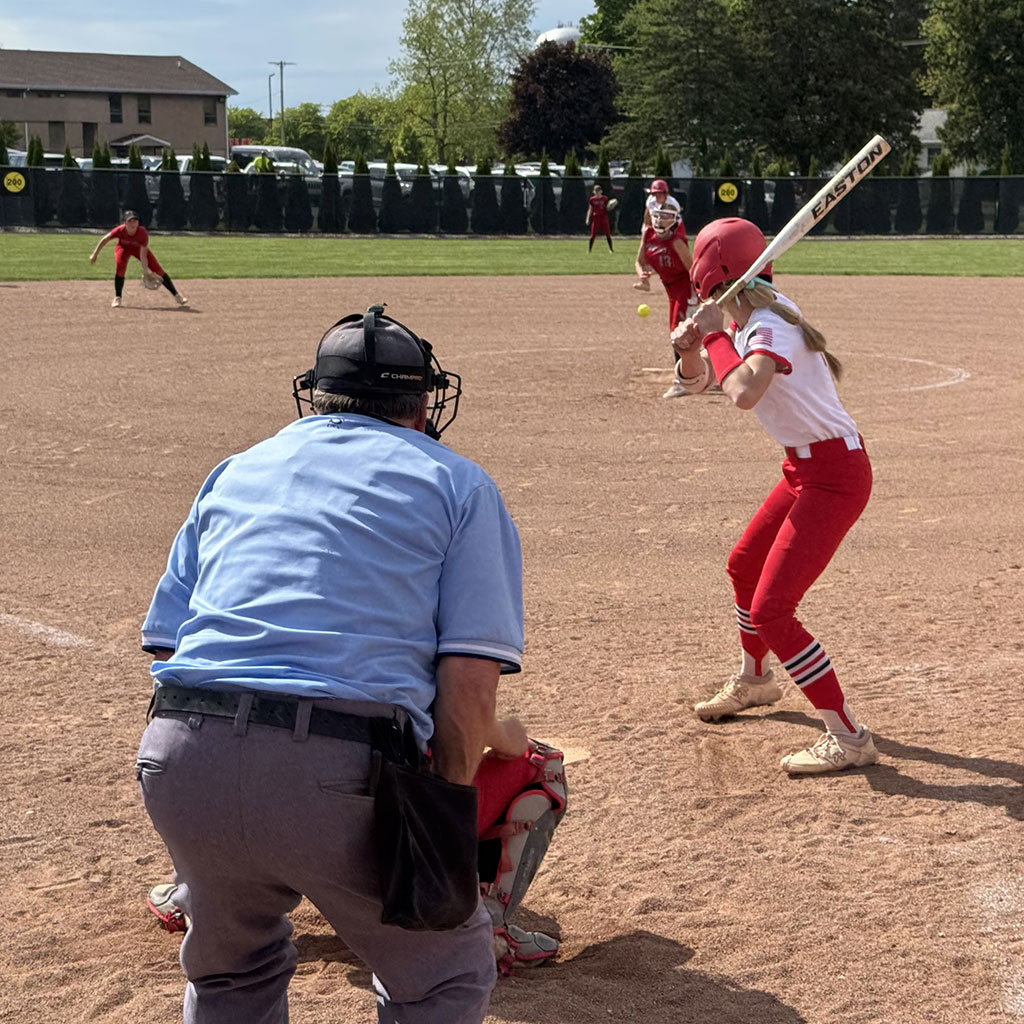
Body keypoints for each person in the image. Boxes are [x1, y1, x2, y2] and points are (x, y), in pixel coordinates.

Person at [135, 305, 562, 1023]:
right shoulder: (458, 483)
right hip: (338, 768)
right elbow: (469, 680)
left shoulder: (236, 469)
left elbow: (170, 644)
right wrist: (439, 823)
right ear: (424, 403)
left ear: (316, 395)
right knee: (442, 979)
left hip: (179, 757)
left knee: (231, 978)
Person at [672, 218, 878, 775]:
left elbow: (742, 392)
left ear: (712, 282)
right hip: (803, 469)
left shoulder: (768, 326)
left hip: (835, 475)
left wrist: (714, 333)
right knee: (743, 566)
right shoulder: (753, 314)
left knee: (772, 610)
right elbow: (698, 383)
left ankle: (848, 736)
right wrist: (692, 348)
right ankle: (757, 680)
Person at [145, 736, 568, 973]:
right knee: (541, 761)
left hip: (209, 780)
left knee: (224, 736)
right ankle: (488, 925)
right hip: (355, 810)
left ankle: (201, 892)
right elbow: (470, 709)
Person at [633, 201, 695, 398]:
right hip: (670, 289)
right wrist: (642, 274)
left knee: (679, 333)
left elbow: (692, 269)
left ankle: (683, 382)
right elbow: (640, 261)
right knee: (680, 332)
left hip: (684, 288)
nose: (660, 219)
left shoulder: (677, 241)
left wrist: (699, 295)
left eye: (666, 216)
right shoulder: (648, 235)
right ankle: (698, 371)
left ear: (674, 221)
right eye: (658, 215)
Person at [89, 210, 188, 308]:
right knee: (120, 267)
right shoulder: (119, 230)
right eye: (130, 221)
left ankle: (177, 295)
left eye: (135, 220)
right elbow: (105, 239)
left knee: (158, 270)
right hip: (123, 249)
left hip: (138, 249)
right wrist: (95, 254)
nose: (133, 223)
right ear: (125, 223)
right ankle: (117, 297)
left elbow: (143, 255)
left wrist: (146, 271)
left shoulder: (142, 233)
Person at [585, 184, 614, 252]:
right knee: (593, 234)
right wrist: (587, 218)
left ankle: (611, 249)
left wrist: (610, 207)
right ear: (593, 192)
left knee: (607, 233)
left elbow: (607, 208)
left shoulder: (604, 198)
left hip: (603, 217)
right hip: (596, 217)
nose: (597, 192)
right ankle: (589, 250)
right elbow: (590, 209)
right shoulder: (592, 199)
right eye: (596, 191)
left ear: (601, 191)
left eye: (598, 191)